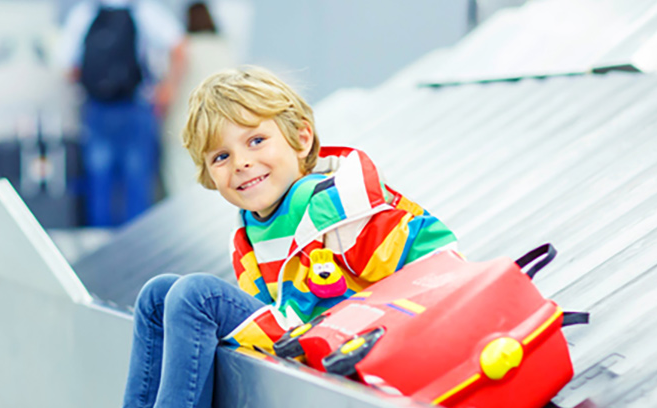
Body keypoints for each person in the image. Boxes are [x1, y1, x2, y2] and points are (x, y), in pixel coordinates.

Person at [122, 67, 459, 407]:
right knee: (157, 296)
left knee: (197, 295)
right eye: (221, 157)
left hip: (343, 342)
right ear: (209, 175)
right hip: (294, 334)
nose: (241, 163)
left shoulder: (339, 211)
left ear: (301, 139)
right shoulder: (249, 231)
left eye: (256, 141)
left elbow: (438, 258)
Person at [56, 0, 186, 227]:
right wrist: (167, 88)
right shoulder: (144, 9)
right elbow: (180, 46)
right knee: (137, 181)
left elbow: (67, 65)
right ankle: (137, 244)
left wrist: (97, 82)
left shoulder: (85, 12)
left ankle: (98, 243)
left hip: (97, 108)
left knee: (99, 182)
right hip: (136, 105)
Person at [159, 1, 236, 197]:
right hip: (218, 124)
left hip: (184, 123)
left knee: (181, 180)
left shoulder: (184, 47)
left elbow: (168, 90)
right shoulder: (222, 46)